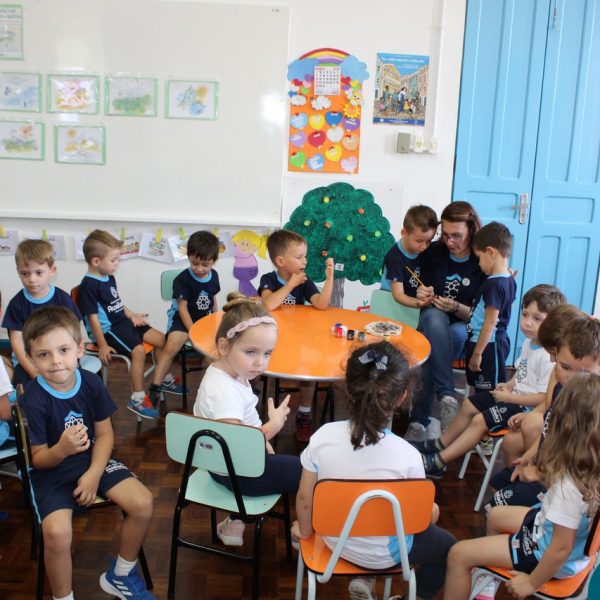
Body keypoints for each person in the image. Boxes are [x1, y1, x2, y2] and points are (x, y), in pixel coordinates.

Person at [291, 341, 456, 600]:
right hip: (388, 555)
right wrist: (432, 512)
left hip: (335, 543)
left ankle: (364, 578)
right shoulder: (409, 456)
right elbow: (417, 519)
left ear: (348, 388)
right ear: (401, 396)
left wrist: (305, 531)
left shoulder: (322, 437)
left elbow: (304, 498)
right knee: (450, 551)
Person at [19, 306, 155, 600]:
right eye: (43, 354)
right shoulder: (33, 398)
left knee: (143, 503)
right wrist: (61, 449)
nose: (56, 361)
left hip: (93, 460)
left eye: (63, 350)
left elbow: (105, 435)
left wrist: (93, 474)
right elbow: (38, 460)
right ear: (30, 359)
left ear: (79, 349)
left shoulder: (91, 382)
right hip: (51, 471)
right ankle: (63, 597)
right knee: (57, 534)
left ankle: (120, 575)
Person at [443, 372, 600, 600]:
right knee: (496, 515)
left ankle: (486, 573)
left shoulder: (568, 488)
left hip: (545, 554)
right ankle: (487, 585)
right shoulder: (588, 467)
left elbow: (560, 549)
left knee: (458, 554)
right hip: (560, 540)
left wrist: (532, 582)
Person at [414, 284, 565, 478]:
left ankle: (437, 461)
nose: (527, 323)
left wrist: (510, 398)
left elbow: (544, 398)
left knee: (479, 420)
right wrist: (509, 385)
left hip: (524, 409)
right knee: (468, 405)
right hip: (513, 397)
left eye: (537, 319)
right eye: (525, 314)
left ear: (552, 322)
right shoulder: (529, 343)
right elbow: (522, 373)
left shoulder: (547, 356)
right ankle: (439, 444)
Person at [193, 293, 301, 547]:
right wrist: (273, 426)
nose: (260, 362)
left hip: (228, 465)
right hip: (236, 474)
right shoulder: (224, 391)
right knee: (310, 471)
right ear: (224, 346)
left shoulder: (231, 371)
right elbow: (237, 444)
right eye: (251, 352)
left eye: (267, 353)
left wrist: (264, 441)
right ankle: (304, 533)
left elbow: (242, 431)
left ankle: (234, 523)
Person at [486, 312, 600, 511]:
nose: (572, 379)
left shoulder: (590, 410)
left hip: (563, 491)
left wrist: (539, 473)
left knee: (495, 509)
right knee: (497, 484)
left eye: (583, 373)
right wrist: (529, 455)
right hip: (547, 468)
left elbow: (583, 466)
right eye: (564, 367)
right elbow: (548, 431)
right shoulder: (561, 390)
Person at [405, 202, 486, 441]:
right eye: (446, 235)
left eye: (457, 236)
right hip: (431, 321)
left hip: (462, 325)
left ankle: (419, 421)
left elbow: (482, 316)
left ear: (471, 230)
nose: (450, 242)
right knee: (432, 318)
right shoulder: (433, 252)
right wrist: (420, 294)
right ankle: (448, 396)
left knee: (444, 342)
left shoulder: (482, 260)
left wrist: (457, 307)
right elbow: (413, 287)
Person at [77, 230, 166, 420]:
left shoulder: (108, 277)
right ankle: (137, 399)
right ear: (96, 261)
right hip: (108, 330)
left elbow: (117, 304)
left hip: (123, 322)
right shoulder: (88, 286)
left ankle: (162, 379)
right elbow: (93, 319)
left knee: (161, 339)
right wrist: (102, 345)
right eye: (113, 260)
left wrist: (132, 315)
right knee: (139, 352)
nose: (117, 264)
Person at [259, 229, 334, 442]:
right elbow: (268, 304)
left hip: (298, 342)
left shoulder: (305, 281)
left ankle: (304, 413)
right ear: (280, 261)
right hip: (272, 342)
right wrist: (291, 284)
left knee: (309, 373)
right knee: (252, 362)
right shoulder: (268, 279)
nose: (305, 261)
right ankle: (250, 399)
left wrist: (329, 278)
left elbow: (321, 304)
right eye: (299, 257)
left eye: (305, 256)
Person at [148, 231, 220, 406]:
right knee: (172, 345)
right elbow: (182, 309)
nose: (199, 269)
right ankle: (155, 387)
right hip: (182, 320)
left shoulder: (215, 276)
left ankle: (215, 389)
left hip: (204, 319)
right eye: (195, 263)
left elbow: (213, 299)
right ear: (188, 257)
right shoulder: (182, 280)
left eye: (205, 264)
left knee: (220, 346)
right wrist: (193, 332)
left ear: (214, 261)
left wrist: (216, 319)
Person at [2, 239, 83, 388]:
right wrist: (32, 370)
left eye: (38, 273)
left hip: (59, 359)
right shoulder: (16, 304)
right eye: (25, 273)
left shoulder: (63, 299)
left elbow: (74, 332)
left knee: (81, 385)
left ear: (52, 270)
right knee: (25, 393)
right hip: (29, 361)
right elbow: (17, 342)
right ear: (18, 271)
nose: (32, 279)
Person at [380, 204, 438, 308]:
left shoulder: (422, 250)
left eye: (429, 241)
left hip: (410, 303)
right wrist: (418, 304)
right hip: (391, 306)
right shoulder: (395, 258)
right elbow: (398, 295)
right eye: (419, 241)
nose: (424, 246)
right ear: (404, 233)